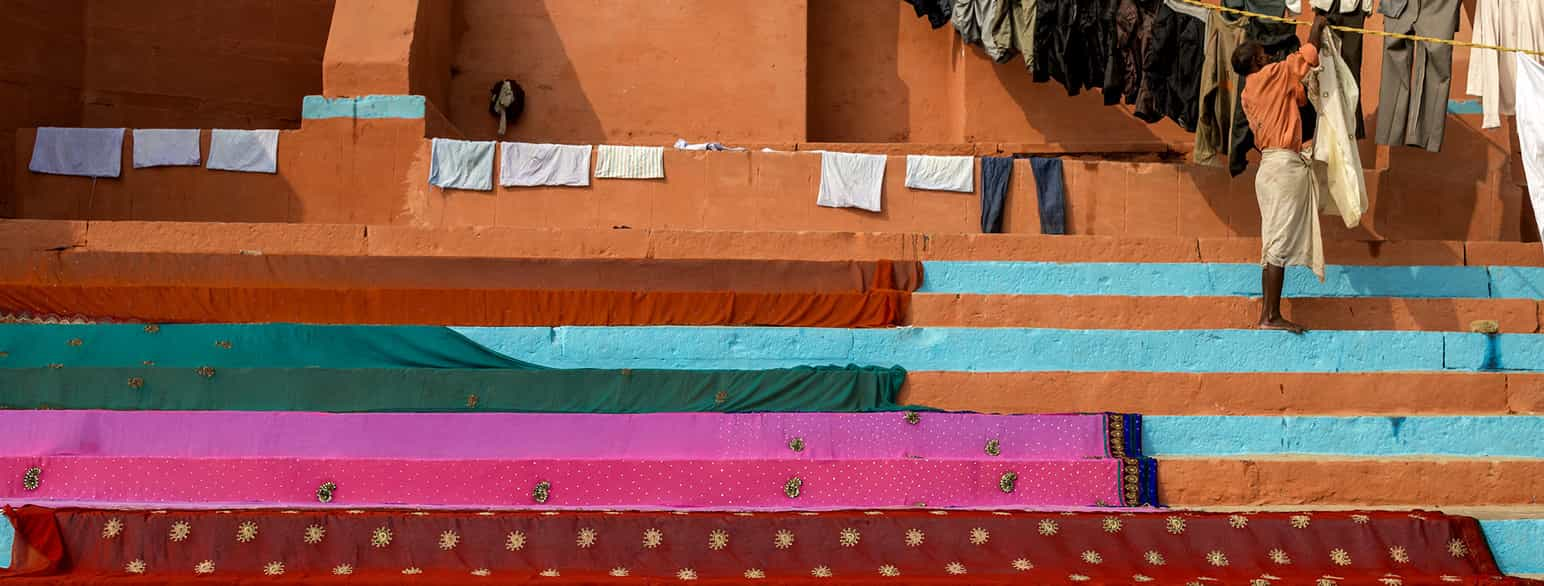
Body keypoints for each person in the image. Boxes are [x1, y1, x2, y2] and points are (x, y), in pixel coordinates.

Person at [1231, 3, 1333, 333]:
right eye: (1265, 55)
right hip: (1283, 168)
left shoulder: (1249, 92)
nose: (1270, 58)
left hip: (1269, 169)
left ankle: (1270, 314)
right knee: (1275, 245)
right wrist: (1318, 20)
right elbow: (1306, 53)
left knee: (1271, 243)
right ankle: (1269, 316)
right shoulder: (1273, 75)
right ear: (1260, 61)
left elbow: (1296, 97)